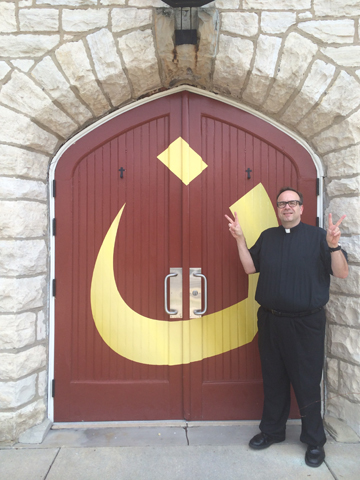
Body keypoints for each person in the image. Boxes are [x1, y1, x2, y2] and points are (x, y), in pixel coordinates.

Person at [225, 186, 348, 468]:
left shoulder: (320, 237)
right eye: (282, 204)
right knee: (274, 378)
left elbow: (341, 272)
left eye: (293, 203)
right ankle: (272, 431)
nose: (287, 208)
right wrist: (240, 239)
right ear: (277, 209)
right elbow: (249, 268)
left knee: (306, 382)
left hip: (307, 323)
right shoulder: (268, 237)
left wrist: (334, 245)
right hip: (271, 320)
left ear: (302, 208)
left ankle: (315, 441)